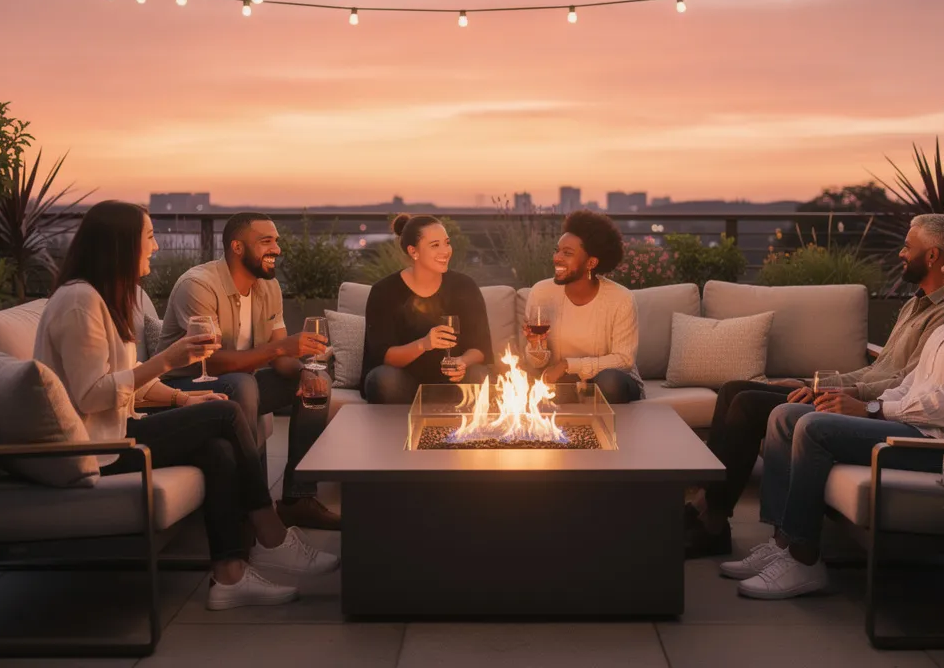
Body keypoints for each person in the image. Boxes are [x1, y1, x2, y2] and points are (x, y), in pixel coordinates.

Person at [34, 201, 339, 611]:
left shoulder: (111, 298)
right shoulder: (79, 302)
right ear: (121, 244)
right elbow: (92, 396)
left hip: (115, 431)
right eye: (149, 237)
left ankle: (228, 577)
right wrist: (169, 363)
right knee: (229, 408)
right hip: (93, 449)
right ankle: (270, 533)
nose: (157, 247)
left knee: (218, 444)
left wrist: (184, 398)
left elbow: (127, 386)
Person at [721, 224, 944, 600]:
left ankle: (804, 561)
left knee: (814, 428)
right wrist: (866, 404)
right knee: (786, 415)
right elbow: (910, 384)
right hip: (909, 426)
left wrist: (872, 409)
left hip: (934, 446)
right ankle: (782, 543)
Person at [686, 214, 944, 556]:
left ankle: (712, 520)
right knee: (732, 389)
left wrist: (836, 392)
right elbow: (876, 368)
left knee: (747, 403)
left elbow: (903, 382)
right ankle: (707, 507)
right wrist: (811, 382)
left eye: (908, 247)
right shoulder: (914, 304)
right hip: (858, 394)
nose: (900, 254)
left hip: (874, 408)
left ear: (933, 256)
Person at [158, 213, 339, 531]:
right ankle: (249, 508)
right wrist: (280, 350)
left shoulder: (269, 289)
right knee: (243, 385)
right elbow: (207, 363)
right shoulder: (199, 285)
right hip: (185, 385)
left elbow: (281, 358)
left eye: (277, 241)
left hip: (242, 382)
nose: (277, 249)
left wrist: (303, 371)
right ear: (237, 247)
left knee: (316, 382)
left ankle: (297, 500)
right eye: (266, 241)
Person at [362, 214, 493, 403]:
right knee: (382, 380)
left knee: (480, 375)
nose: (445, 251)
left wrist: (462, 362)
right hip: (405, 383)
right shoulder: (384, 292)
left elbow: (481, 348)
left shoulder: (465, 286)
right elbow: (385, 357)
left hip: (455, 382)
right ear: (413, 251)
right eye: (435, 245)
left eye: (446, 243)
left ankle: (468, 428)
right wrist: (424, 344)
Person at [524, 210, 642, 403]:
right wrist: (536, 345)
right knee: (549, 386)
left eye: (567, 253)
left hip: (610, 382)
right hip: (563, 380)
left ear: (591, 262)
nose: (557, 258)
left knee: (609, 381)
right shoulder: (541, 292)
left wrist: (568, 365)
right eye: (557, 250)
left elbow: (623, 360)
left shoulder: (621, 299)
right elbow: (538, 363)